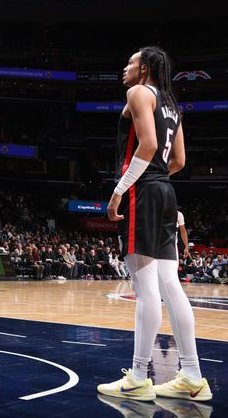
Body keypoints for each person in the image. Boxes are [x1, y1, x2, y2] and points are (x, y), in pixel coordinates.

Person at [98, 46, 211, 402]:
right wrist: (157, 178)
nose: (125, 68)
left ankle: (138, 376)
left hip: (142, 192)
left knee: (146, 290)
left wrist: (120, 190)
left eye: (130, 63)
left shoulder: (138, 92)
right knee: (170, 285)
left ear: (144, 68)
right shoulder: (173, 104)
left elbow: (146, 145)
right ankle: (192, 376)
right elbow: (178, 160)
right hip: (165, 191)